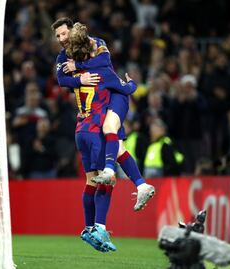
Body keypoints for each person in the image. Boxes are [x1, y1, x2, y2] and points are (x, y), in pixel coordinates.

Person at [52, 18, 155, 213]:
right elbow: (61, 79)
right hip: (104, 97)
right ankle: (141, 185)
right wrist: (80, 78)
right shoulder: (62, 56)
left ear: (73, 31)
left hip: (116, 94)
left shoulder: (96, 43)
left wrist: (79, 66)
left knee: (109, 129)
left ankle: (109, 171)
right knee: (118, 148)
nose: (60, 39)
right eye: (57, 36)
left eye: (64, 33)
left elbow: (104, 61)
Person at [64, 22, 139, 252]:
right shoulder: (102, 70)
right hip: (95, 132)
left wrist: (76, 64)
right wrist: (133, 82)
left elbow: (63, 78)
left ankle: (88, 229)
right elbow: (126, 89)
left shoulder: (74, 71)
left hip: (80, 131)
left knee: (89, 181)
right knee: (107, 180)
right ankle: (99, 227)